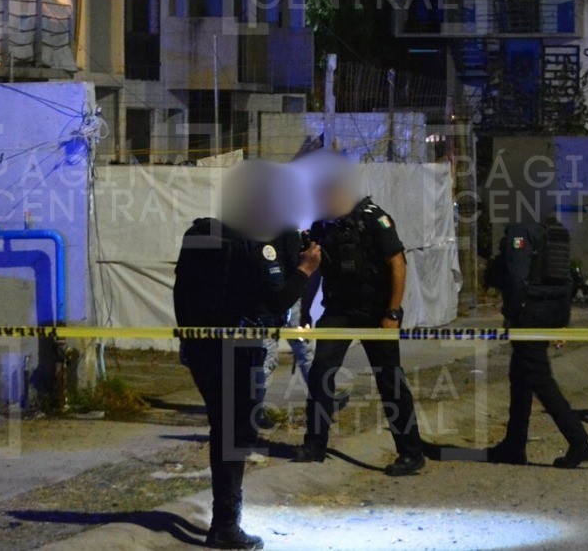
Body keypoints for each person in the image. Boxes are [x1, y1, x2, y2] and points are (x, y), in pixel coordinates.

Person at [174, 161, 322, 550]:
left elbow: (179, 292)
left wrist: (188, 342)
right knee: (235, 433)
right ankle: (225, 525)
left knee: (224, 429)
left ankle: (224, 521)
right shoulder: (257, 241)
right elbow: (275, 298)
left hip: (201, 348)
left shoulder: (205, 232)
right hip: (238, 352)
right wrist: (305, 270)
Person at [292, 158, 425, 477]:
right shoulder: (323, 225)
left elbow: (397, 264)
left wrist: (392, 311)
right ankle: (315, 444)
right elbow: (316, 268)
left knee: (389, 378)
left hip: (376, 310)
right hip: (339, 310)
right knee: (322, 370)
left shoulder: (374, 218)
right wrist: (307, 311)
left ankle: (411, 452)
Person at [484, 220, 588, 468]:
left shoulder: (521, 230)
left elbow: (516, 276)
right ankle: (514, 445)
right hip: (550, 308)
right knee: (521, 374)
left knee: (538, 377)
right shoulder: (554, 228)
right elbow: (565, 275)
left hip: (531, 312)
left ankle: (580, 442)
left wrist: (512, 312)